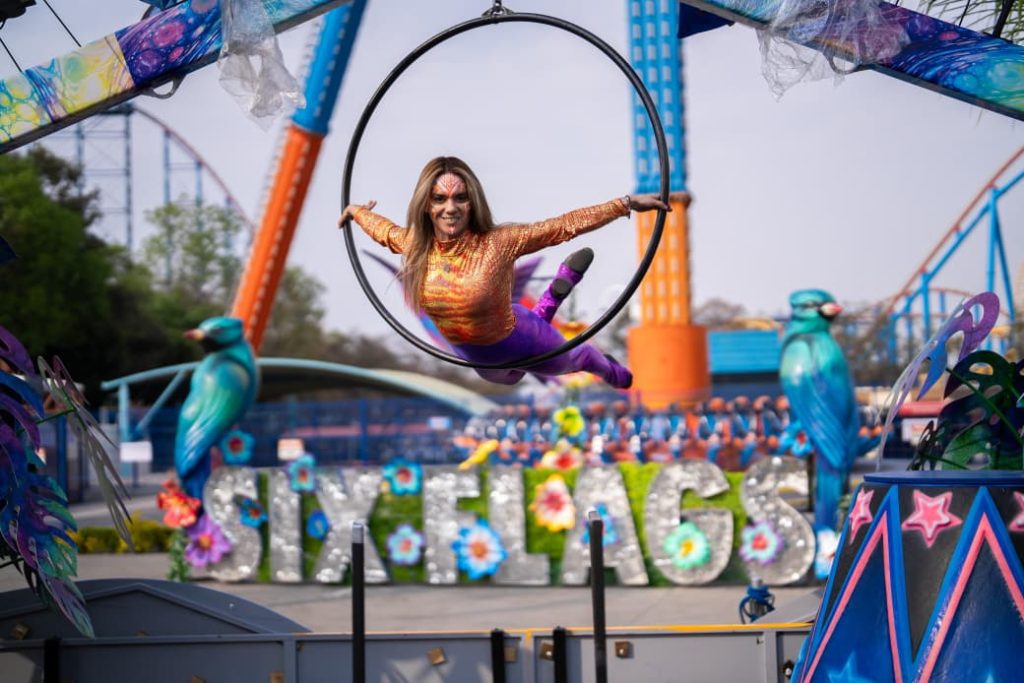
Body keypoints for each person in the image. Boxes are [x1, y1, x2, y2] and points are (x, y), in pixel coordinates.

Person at [339, 156, 668, 388]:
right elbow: (381, 230)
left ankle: (612, 372)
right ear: (426, 204)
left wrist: (624, 204)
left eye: (460, 198)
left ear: (473, 202)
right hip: (483, 362)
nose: (450, 208)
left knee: (576, 359)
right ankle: (555, 292)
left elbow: (563, 226)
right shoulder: (414, 245)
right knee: (510, 377)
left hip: (521, 338)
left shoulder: (500, 242)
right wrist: (355, 211)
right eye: (439, 198)